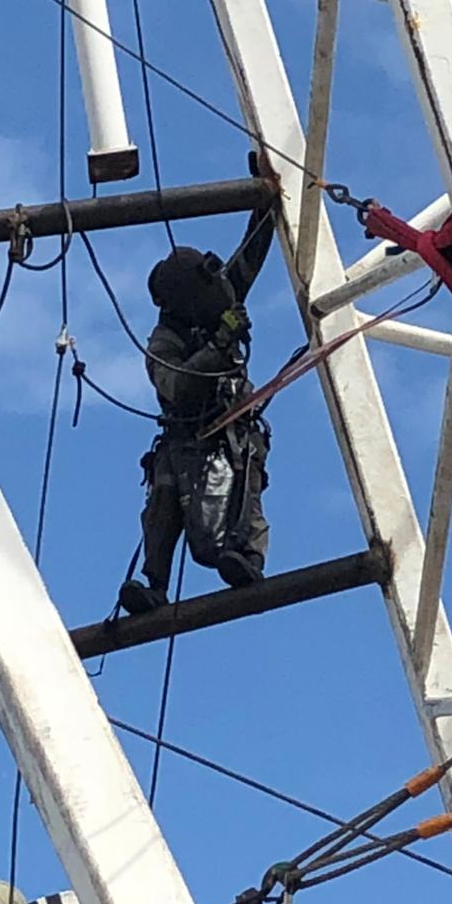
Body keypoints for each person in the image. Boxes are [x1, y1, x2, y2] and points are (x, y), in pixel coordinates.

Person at [119, 155, 277, 615]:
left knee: (244, 481)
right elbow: (176, 386)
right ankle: (155, 584)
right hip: (186, 434)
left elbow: (251, 251)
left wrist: (264, 194)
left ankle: (247, 558)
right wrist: (221, 343)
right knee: (164, 494)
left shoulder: (215, 299)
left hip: (233, 427)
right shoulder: (164, 341)